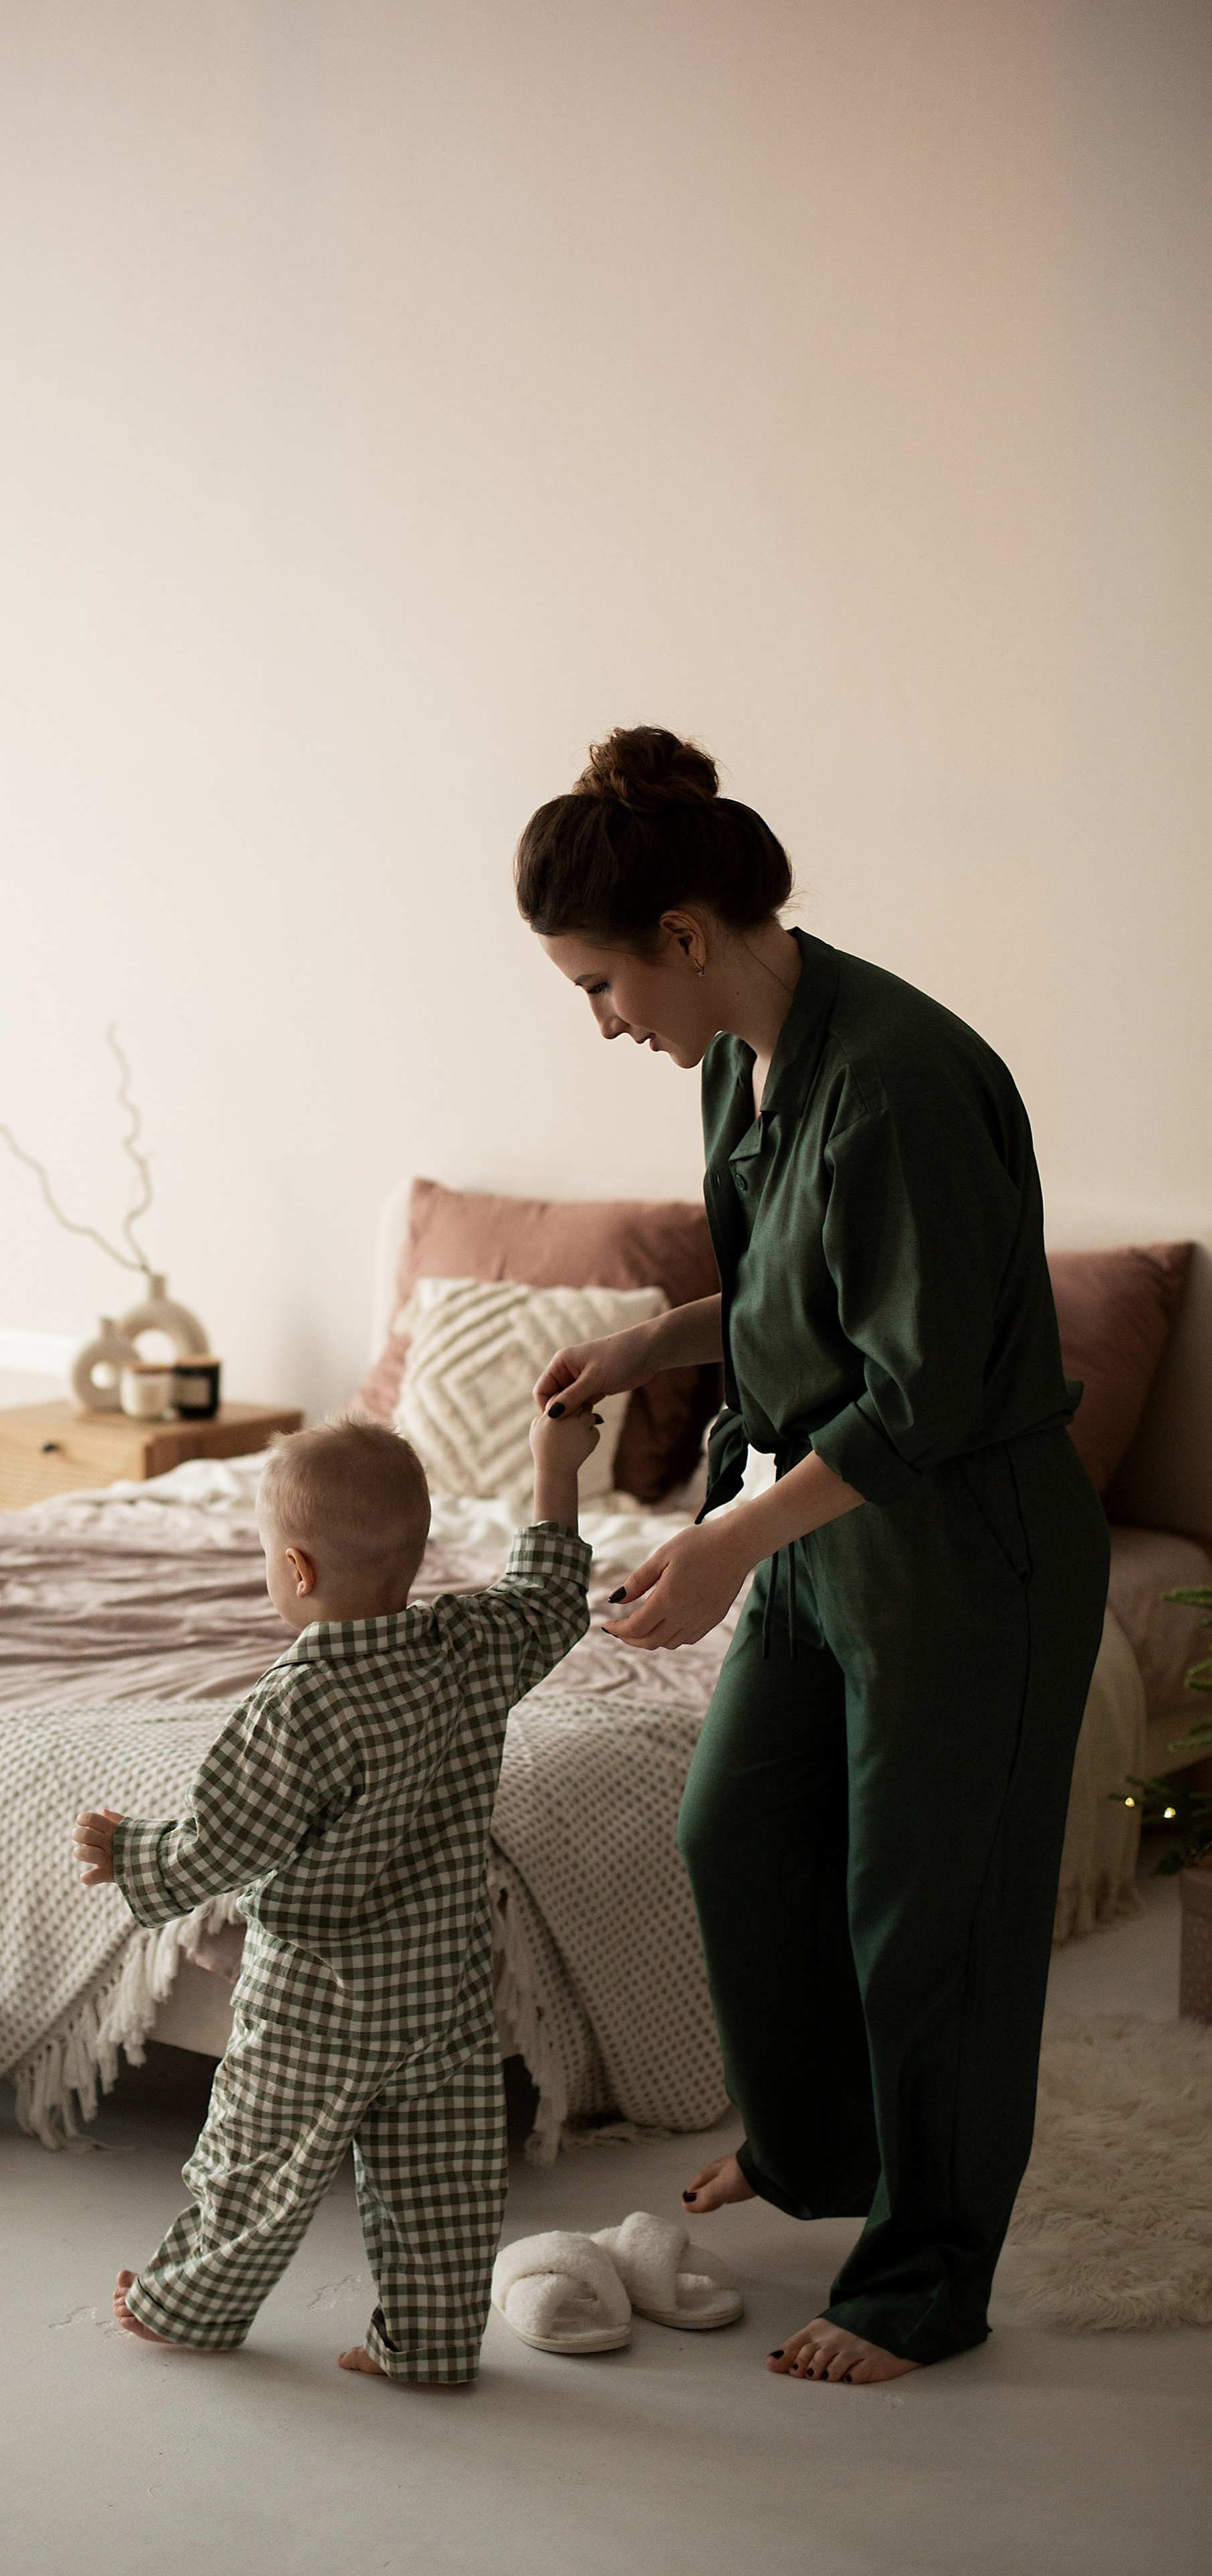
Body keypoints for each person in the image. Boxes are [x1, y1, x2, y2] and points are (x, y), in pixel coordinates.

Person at [519, 724, 1108, 2387]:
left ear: (685, 938)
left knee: (931, 1924)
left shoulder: (904, 1077)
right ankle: (819, 2151)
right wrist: (656, 1344)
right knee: (736, 1836)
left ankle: (921, 2277)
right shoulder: (735, 1060)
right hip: (819, 1530)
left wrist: (714, 1548)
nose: (602, 1019)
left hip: (955, 1545)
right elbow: (805, 1287)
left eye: (597, 984)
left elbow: (919, 1388)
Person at [71, 1408, 599, 2387]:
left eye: (269, 1559)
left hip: (316, 1999)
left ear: (298, 1572)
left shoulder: (299, 1701)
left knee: (256, 2162)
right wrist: (552, 1464)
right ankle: (431, 2348)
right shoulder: (469, 1647)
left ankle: (189, 2305)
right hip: (441, 1993)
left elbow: (226, 1838)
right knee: (440, 2187)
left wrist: (135, 1856)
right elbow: (550, 1596)